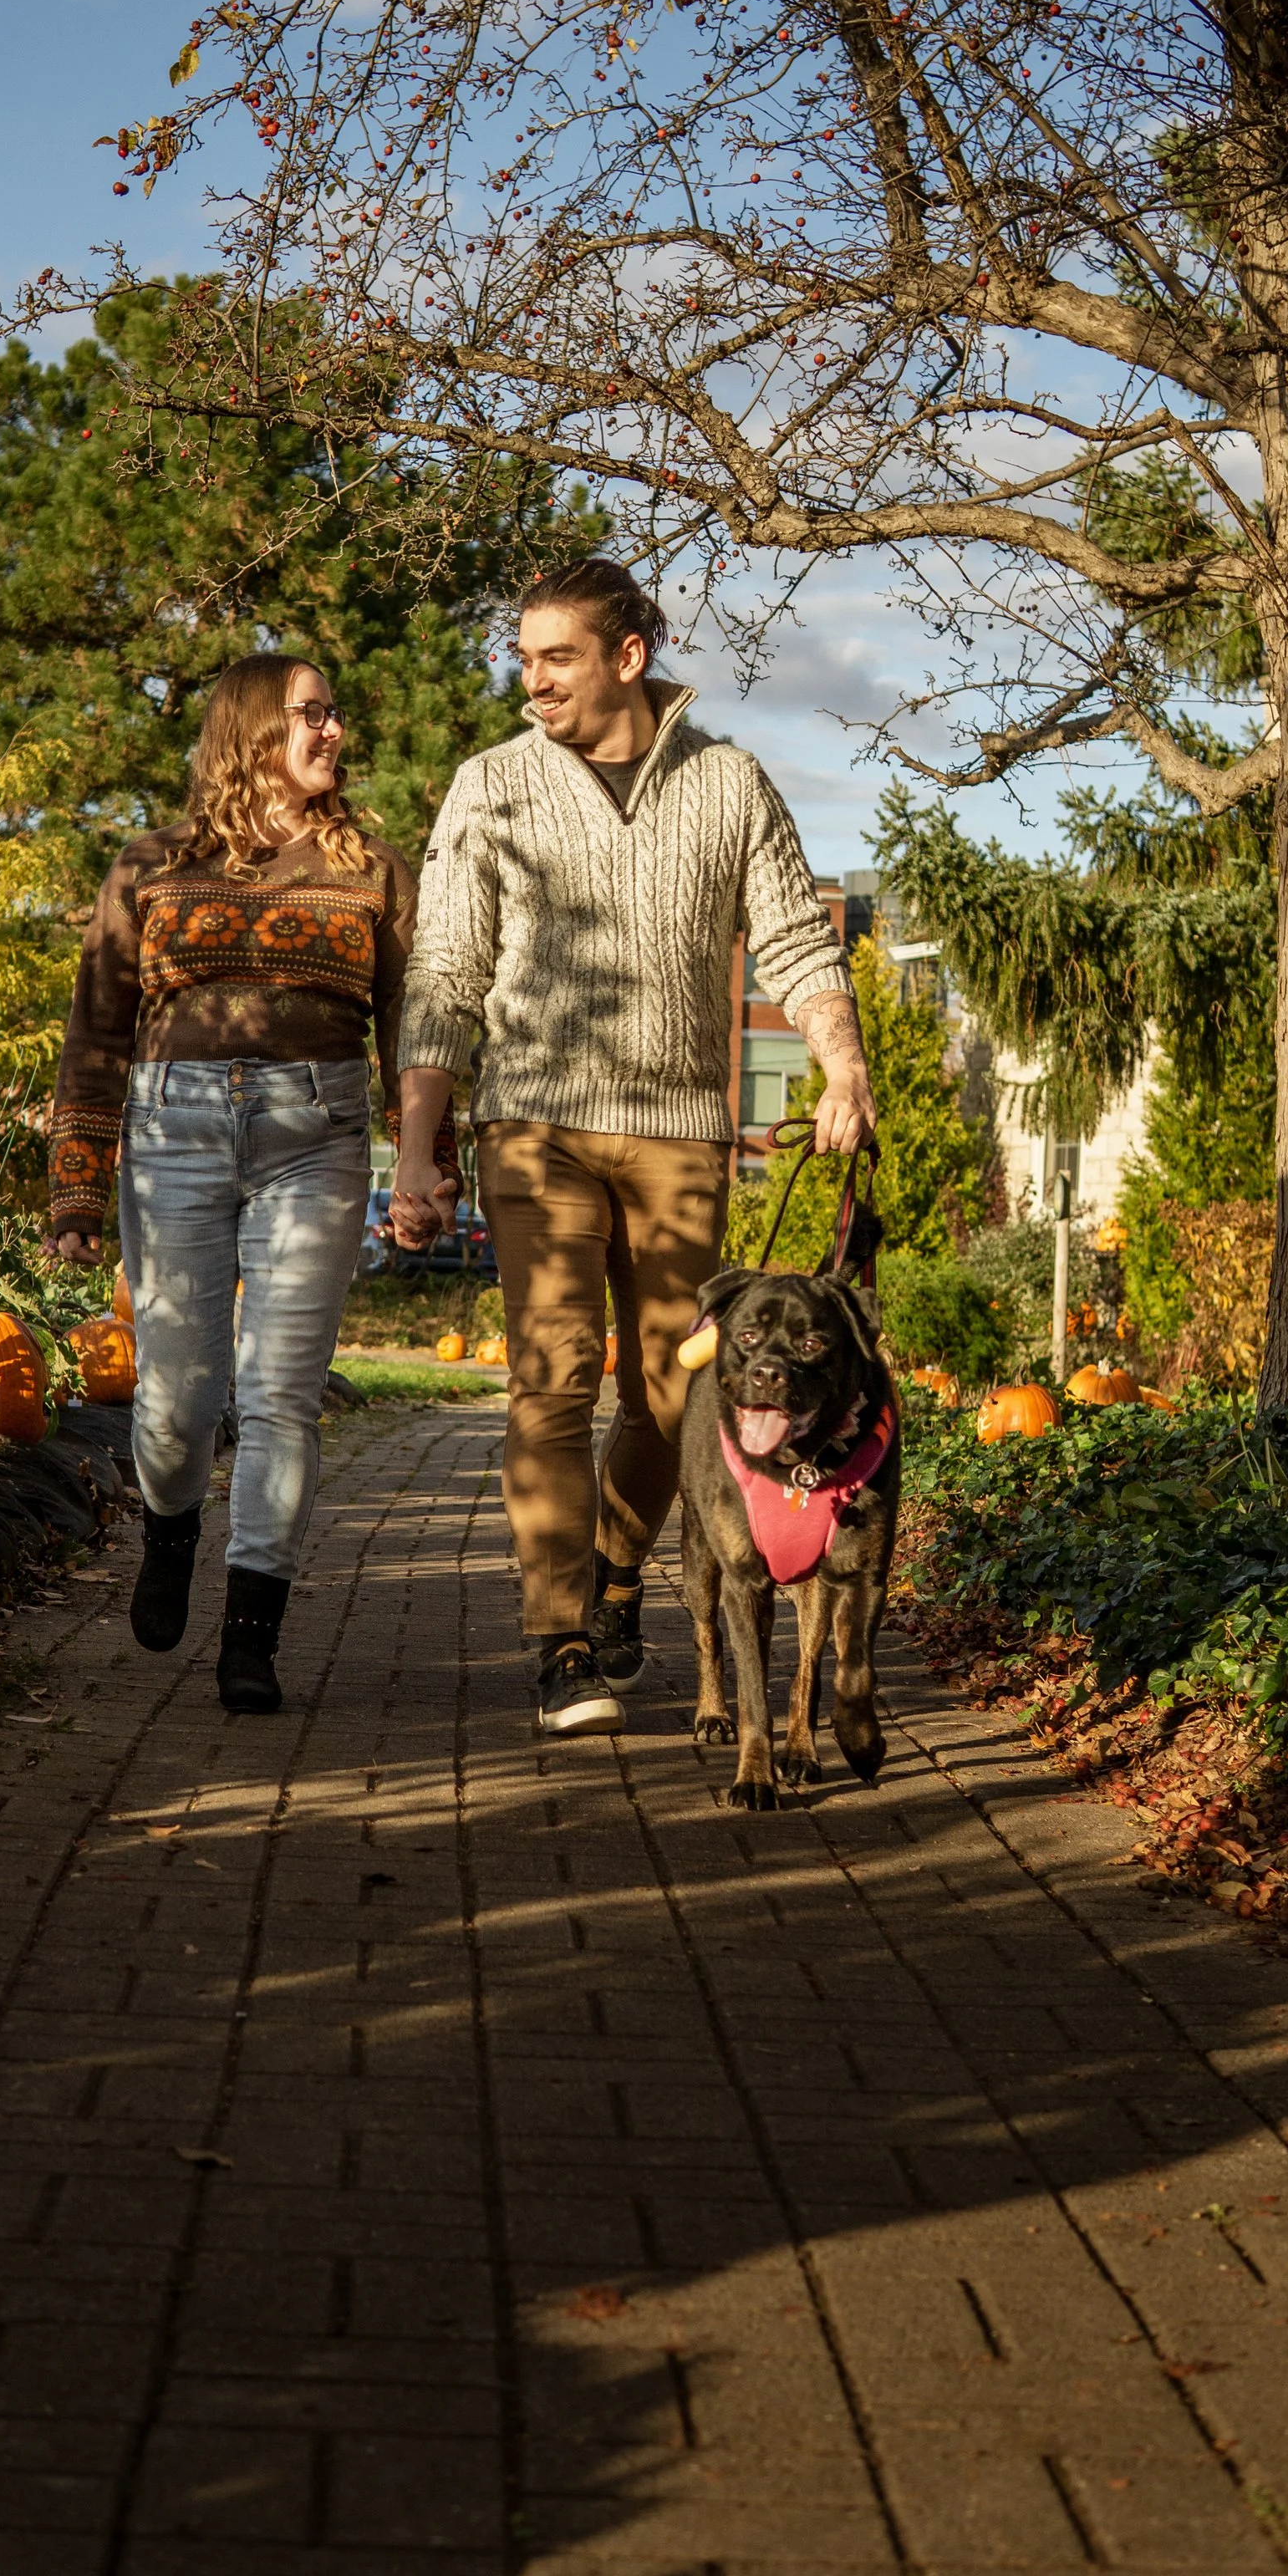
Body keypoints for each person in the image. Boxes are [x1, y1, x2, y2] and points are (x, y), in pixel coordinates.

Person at [389, 558, 877, 1738]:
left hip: (677, 1137)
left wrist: (843, 1060)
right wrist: (416, 1142)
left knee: (674, 1395)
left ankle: (616, 1572)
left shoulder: (728, 782)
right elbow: (445, 972)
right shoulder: (492, 784)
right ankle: (561, 1640)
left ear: (628, 657)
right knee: (549, 1382)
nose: (532, 677)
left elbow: (799, 942)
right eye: (525, 654)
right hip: (532, 1126)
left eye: (556, 655)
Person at [43, 654, 451, 1714]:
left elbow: (417, 1029)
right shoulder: (150, 868)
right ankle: (171, 1531)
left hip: (316, 1139)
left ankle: (251, 1636)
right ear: (250, 731)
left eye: (334, 713)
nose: (333, 731)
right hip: (172, 1132)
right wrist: (77, 1193)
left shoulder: (372, 869)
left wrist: (422, 1166)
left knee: (280, 1398)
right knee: (177, 1400)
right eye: (310, 714)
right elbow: (95, 1032)